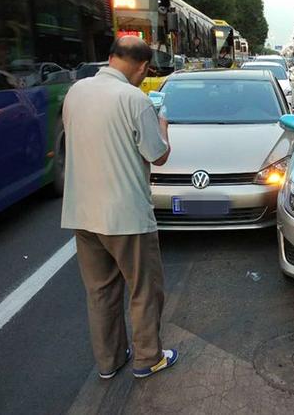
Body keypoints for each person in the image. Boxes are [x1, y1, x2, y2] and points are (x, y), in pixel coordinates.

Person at [61, 36, 177, 380]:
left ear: (110, 57)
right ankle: (148, 358)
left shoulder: (76, 92)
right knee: (143, 290)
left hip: (82, 212)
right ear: (141, 67)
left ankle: (109, 362)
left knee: (100, 292)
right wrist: (163, 126)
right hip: (126, 216)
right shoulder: (134, 98)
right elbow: (158, 154)